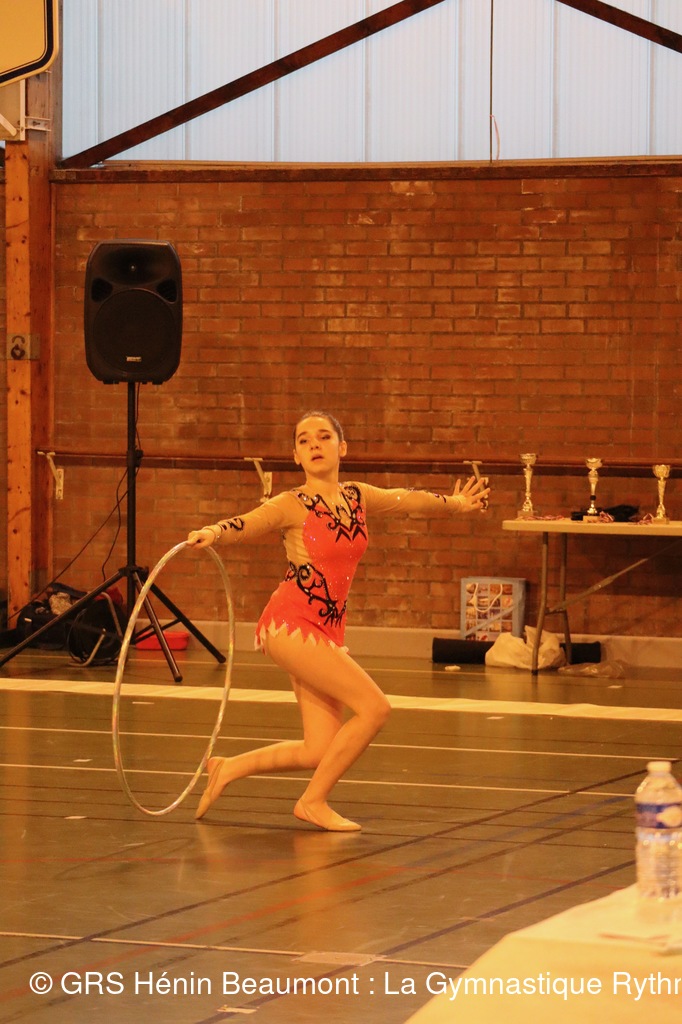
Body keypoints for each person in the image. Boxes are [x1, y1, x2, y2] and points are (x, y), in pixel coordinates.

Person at [187, 412, 490, 832]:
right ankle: (312, 801)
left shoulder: (357, 496)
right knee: (375, 708)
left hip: (326, 629)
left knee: (318, 749)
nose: (315, 444)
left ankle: (228, 767)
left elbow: (406, 499)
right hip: (290, 622)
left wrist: (456, 504)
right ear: (296, 455)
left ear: (341, 447)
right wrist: (214, 532)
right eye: (304, 440)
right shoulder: (291, 503)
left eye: (324, 436)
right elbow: (251, 523)